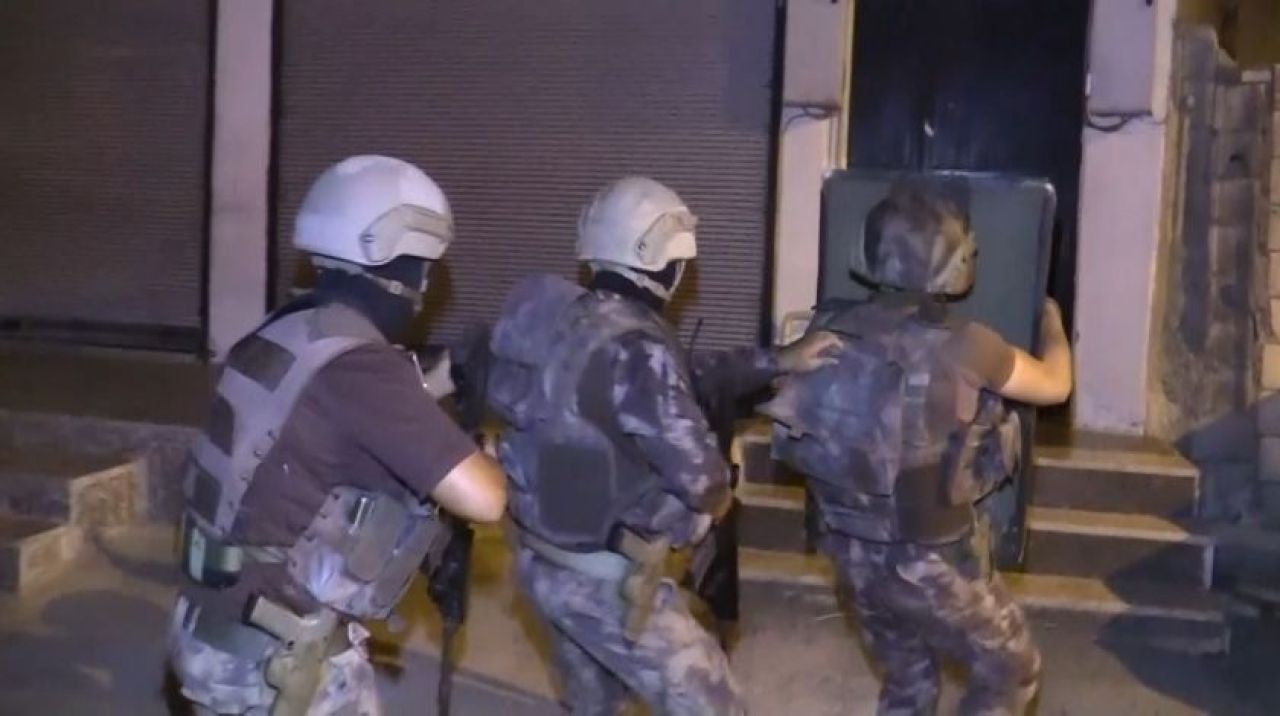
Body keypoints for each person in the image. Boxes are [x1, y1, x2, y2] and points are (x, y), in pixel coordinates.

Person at [484, 176, 841, 715]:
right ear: (662, 259)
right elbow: (701, 479)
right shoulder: (636, 349)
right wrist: (720, 492)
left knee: (594, 704)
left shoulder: (562, 318)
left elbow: (682, 374)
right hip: (606, 581)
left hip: (540, 560)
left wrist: (777, 360)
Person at [167, 155, 507, 715]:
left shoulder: (286, 331)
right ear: (395, 259)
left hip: (213, 626)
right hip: (275, 662)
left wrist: (439, 379)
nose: (423, 287)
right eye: (422, 268)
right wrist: (488, 453)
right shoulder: (364, 370)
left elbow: (343, 412)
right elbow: (484, 499)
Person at [762, 181, 1072, 716]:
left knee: (908, 679)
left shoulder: (826, 326)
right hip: (932, 561)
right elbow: (1054, 385)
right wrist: (1053, 323)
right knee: (1012, 671)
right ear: (955, 262)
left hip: (852, 555)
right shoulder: (969, 344)